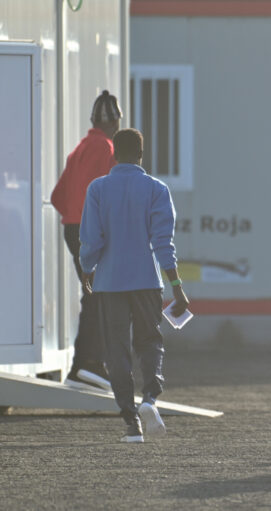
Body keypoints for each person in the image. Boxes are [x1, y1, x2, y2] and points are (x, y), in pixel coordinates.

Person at [79, 128, 190, 443]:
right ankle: (150, 400)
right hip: (146, 281)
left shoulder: (98, 189)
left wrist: (88, 268)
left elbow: (91, 239)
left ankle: (131, 423)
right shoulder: (156, 189)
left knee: (116, 350)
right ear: (142, 155)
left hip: (109, 282)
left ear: (114, 154)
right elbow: (163, 243)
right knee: (150, 342)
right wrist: (177, 286)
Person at [51, 90, 122, 392]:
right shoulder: (107, 148)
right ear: (115, 122)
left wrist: (75, 216)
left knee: (92, 293)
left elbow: (57, 197)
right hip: (91, 231)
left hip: (73, 228)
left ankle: (82, 367)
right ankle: (88, 366)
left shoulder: (79, 149)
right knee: (99, 295)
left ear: (94, 119)